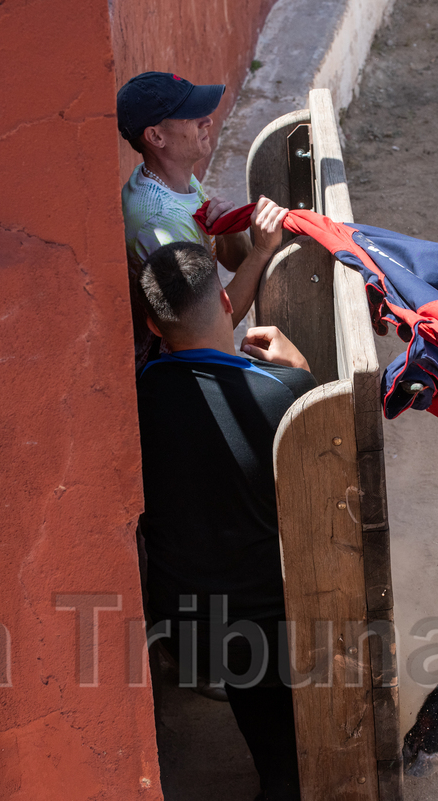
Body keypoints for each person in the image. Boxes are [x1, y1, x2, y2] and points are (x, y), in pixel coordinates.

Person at [135, 240, 313, 801]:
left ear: (153, 326)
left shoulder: (139, 392)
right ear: (228, 305)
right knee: (286, 771)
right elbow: (326, 443)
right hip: (259, 635)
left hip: (176, 629)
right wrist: (303, 371)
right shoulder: (284, 392)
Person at [117, 70, 284, 375]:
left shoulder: (177, 178)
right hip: (180, 376)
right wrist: (262, 251)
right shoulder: (163, 221)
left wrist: (226, 230)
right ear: (156, 137)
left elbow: (234, 262)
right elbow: (212, 329)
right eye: (191, 115)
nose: (207, 119)